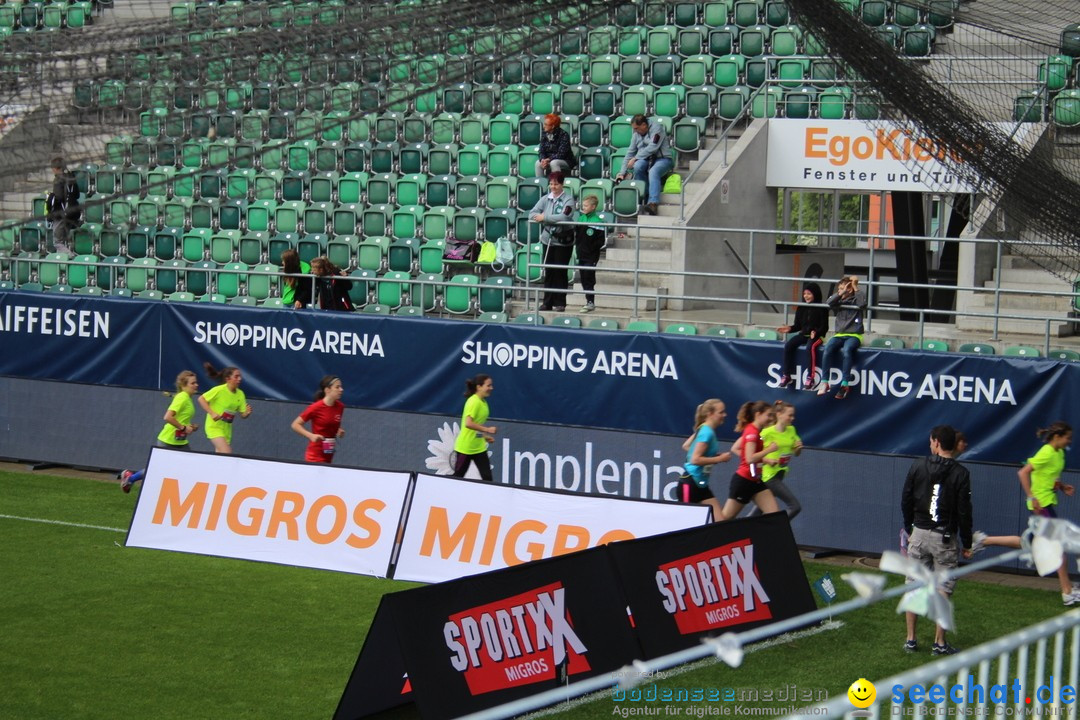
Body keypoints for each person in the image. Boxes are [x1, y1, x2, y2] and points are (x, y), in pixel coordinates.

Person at [901, 425, 973, 655]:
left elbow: (906, 499)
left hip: (920, 533)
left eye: (932, 440)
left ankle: (911, 639)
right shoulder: (961, 473)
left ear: (936, 442)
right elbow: (964, 511)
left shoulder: (918, 465)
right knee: (943, 589)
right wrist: (967, 541)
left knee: (914, 584)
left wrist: (909, 527)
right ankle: (939, 643)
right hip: (944, 537)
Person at [1018, 421, 1078, 605]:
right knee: (1059, 548)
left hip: (1048, 503)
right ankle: (1067, 592)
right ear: (1057, 437)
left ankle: (983, 541)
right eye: (1068, 438)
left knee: (1029, 543)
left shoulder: (1059, 453)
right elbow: (1023, 473)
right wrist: (1031, 497)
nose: (1070, 441)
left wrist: (1061, 486)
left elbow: (1048, 476)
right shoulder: (1046, 452)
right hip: (1040, 505)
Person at [119, 370, 200, 493]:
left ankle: (182, 494)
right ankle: (130, 478)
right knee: (157, 469)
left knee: (189, 467)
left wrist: (190, 427)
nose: (196, 385)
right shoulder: (182, 398)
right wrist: (183, 428)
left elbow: (180, 418)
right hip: (168, 440)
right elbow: (167, 417)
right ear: (184, 385)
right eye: (193, 383)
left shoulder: (187, 398)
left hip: (180, 442)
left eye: (196, 382)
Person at [717, 401, 780, 521]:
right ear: (758, 414)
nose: (770, 419)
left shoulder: (756, 431)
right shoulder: (752, 432)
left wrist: (765, 460)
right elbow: (750, 458)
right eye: (768, 415)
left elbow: (740, 450)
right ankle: (707, 536)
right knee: (725, 519)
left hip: (755, 481)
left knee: (774, 516)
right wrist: (769, 450)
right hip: (744, 481)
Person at [745, 400, 803, 519]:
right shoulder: (767, 432)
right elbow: (751, 453)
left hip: (780, 474)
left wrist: (798, 448)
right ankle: (777, 528)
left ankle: (741, 529)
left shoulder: (791, 430)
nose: (792, 418)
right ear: (779, 414)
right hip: (769, 476)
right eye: (789, 415)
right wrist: (767, 460)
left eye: (793, 415)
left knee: (759, 510)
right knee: (795, 506)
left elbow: (796, 453)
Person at [528, 171, 577, 312]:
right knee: (549, 271)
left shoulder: (568, 199)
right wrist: (542, 217)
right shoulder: (545, 199)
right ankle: (547, 302)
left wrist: (545, 217)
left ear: (562, 184)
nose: (553, 186)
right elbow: (532, 213)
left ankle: (560, 302)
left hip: (563, 242)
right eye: (551, 184)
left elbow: (565, 216)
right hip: (547, 240)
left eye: (556, 184)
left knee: (560, 272)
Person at [680, 399, 733, 521]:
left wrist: (712, 455)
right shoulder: (706, 432)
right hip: (690, 483)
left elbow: (687, 446)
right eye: (721, 412)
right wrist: (719, 458)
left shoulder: (703, 428)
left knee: (720, 522)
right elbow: (695, 459)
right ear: (710, 414)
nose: (724, 415)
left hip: (700, 485)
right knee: (686, 526)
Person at [816, 275, 868, 399]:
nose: (839, 291)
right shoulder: (838, 301)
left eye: (842, 288)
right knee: (827, 349)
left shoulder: (856, 299)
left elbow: (863, 304)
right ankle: (824, 382)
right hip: (839, 334)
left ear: (850, 290)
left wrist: (855, 286)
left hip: (854, 335)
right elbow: (829, 303)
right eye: (839, 289)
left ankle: (845, 384)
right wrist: (842, 292)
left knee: (847, 350)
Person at [614, 114, 673, 216]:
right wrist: (621, 172)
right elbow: (630, 153)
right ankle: (644, 194)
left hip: (662, 159)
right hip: (645, 159)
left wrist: (636, 158)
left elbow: (653, 147)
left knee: (653, 171)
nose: (635, 131)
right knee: (637, 166)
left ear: (644, 125)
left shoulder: (657, 129)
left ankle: (653, 203)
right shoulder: (636, 134)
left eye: (637, 128)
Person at [777, 282, 828, 389]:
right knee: (789, 345)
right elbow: (798, 326)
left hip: (817, 336)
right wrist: (790, 329)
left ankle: (811, 377)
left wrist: (816, 333)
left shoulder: (822, 308)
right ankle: (787, 375)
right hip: (804, 334)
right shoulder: (801, 307)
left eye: (809, 294)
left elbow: (824, 327)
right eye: (804, 294)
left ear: (815, 294)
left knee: (810, 347)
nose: (806, 296)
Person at [198, 363, 252, 454]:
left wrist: (246, 413)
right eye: (236, 376)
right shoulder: (219, 390)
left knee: (221, 458)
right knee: (227, 453)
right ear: (228, 379)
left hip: (226, 430)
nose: (239, 379)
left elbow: (243, 414)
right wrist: (212, 413)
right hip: (214, 427)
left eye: (240, 376)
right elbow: (201, 399)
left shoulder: (240, 394)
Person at [290, 375, 345, 464]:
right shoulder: (316, 407)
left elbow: (330, 423)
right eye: (337, 387)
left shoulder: (340, 407)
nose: (341, 390)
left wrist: (338, 431)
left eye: (341, 387)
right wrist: (311, 436)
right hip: (315, 455)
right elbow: (295, 424)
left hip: (328, 452)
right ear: (327, 390)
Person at [453, 374, 496, 482]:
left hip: (479, 448)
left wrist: (485, 437)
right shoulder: (473, 402)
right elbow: (468, 424)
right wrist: (487, 430)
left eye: (491, 385)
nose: (491, 388)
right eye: (488, 385)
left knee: (488, 479)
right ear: (479, 387)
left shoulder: (484, 403)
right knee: (457, 477)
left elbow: (475, 428)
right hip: (465, 448)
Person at [575, 194, 606, 313]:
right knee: (583, 278)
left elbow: (601, 241)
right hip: (581, 254)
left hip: (591, 256)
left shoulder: (598, 222)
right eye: (583, 205)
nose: (584, 207)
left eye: (586, 205)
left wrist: (591, 249)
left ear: (593, 207)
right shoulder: (581, 219)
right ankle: (588, 301)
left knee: (589, 278)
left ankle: (590, 302)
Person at [46, 157, 81, 257]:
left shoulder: (58, 179)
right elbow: (77, 194)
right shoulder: (71, 177)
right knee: (63, 240)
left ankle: (71, 257)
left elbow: (59, 197)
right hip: (73, 212)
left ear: (56, 168)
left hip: (62, 213)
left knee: (57, 242)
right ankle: (61, 263)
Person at [535, 113, 576, 178]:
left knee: (554, 163)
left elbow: (561, 154)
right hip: (549, 160)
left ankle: (557, 183)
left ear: (553, 126)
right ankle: (541, 183)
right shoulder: (544, 133)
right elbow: (541, 150)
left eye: (546, 124)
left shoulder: (563, 135)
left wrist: (548, 159)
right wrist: (543, 160)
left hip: (566, 160)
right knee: (538, 163)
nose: (543, 126)